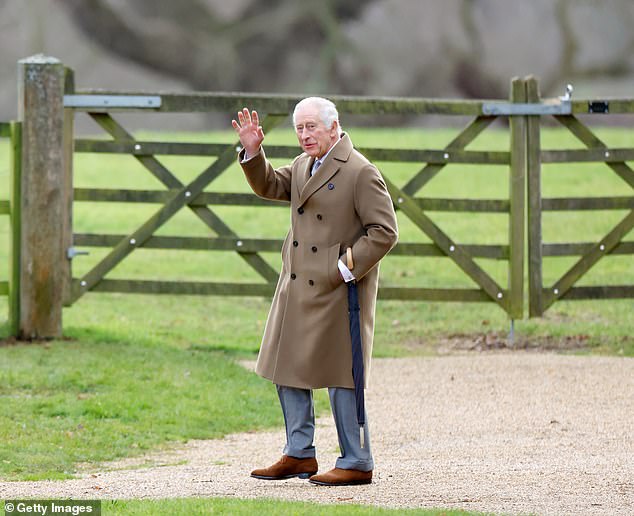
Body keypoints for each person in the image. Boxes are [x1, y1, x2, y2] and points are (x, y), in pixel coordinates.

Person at [231, 97, 398, 486]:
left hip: (339, 289)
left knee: (342, 375)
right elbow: (271, 185)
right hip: (296, 284)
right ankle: (298, 453)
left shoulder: (360, 171)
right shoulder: (305, 164)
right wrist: (254, 153)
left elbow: (385, 231)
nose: (305, 135)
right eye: (299, 128)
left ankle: (356, 461)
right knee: (285, 364)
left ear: (333, 126)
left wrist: (343, 268)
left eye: (311, 127)